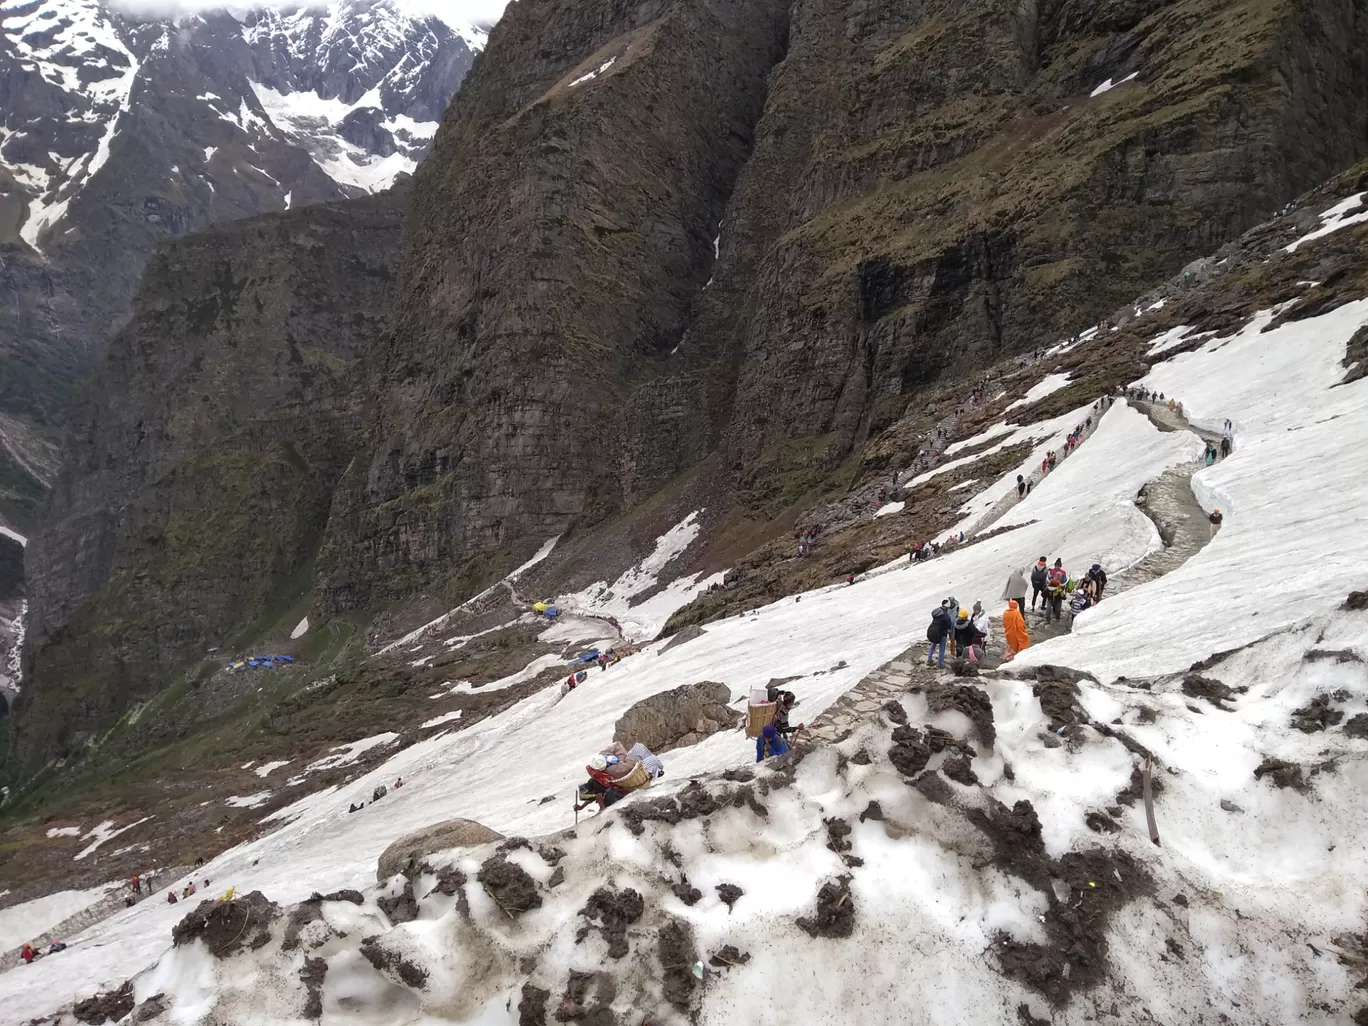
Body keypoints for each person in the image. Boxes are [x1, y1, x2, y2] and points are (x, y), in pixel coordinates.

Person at [926, 602, 954, 668]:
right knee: (942, 648)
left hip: (934, 631)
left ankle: (929, 659)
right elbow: (949, 627)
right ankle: (939, 663)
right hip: (942, 633)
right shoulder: (946, 616)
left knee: (933, 644)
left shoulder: (937, 612)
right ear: (947, 608)